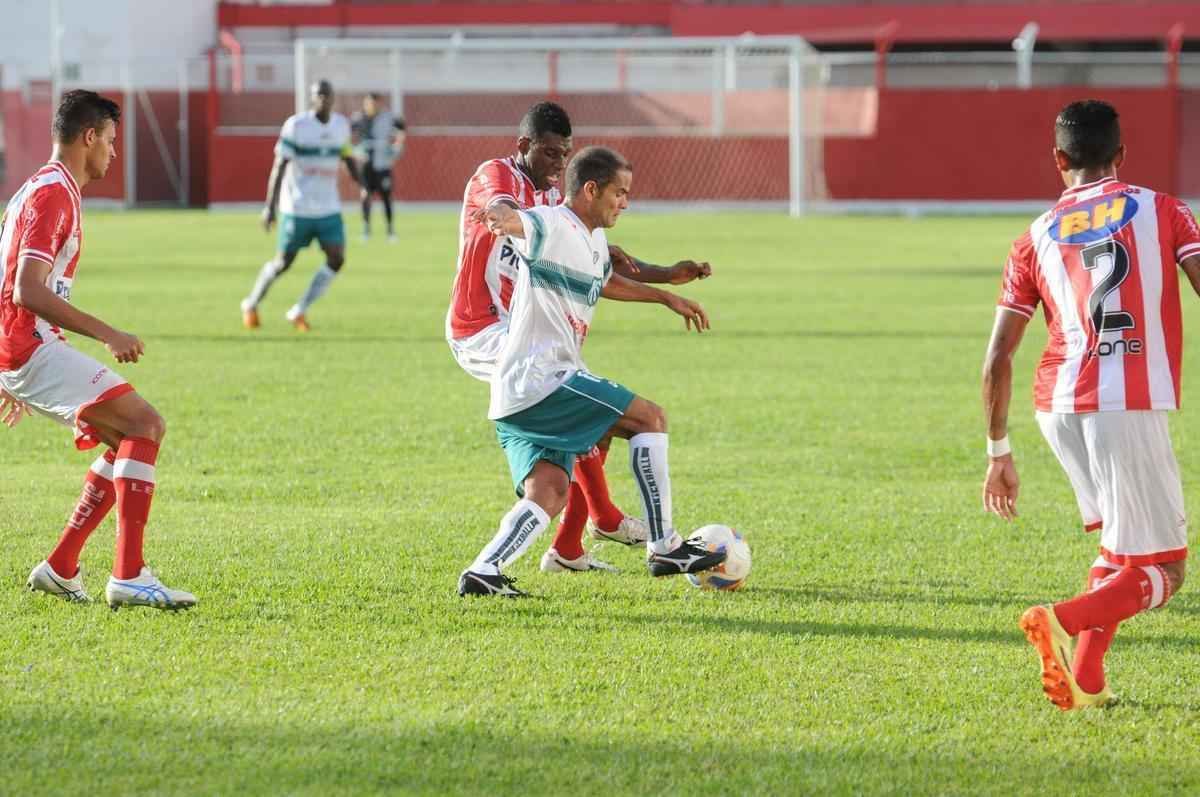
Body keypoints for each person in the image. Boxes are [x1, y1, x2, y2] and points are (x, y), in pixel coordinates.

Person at [982, 99, 1200, 709]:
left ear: (1059, 160)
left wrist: (997, 449)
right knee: (1166, 572)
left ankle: (1086, 680)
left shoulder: (1033, 238)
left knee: (1118, 549)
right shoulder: (1164, 209)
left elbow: (996, 358)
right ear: (1121, 156)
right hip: (1123, 402)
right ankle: (1060, 619)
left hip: (1056, 405)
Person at [447, 101, 712, 574]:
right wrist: (505, 218)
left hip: (524, 337)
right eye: (549, 154)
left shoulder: (557, 206)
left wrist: (666, 281)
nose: (557, 165)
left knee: (557, 472)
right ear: (524, 146)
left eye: (565, 155)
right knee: (618, 408)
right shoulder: (502, 178)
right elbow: (503, 210)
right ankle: (619, 524)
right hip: (484, 329)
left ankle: (550, 551)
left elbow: (595, 268)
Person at [0, 90, 195, 610]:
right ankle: (129, 575)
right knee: (145, 424)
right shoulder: (53, 194)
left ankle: (62, 567)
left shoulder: (40, 188)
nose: (112, 152)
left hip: (22, 349)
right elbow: (27, 289)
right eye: (109, 140)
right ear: (88, 138)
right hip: (31, 345)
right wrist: (108, 332)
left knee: (125, 438)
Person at [241, 80, 360, 332]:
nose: (323, 100)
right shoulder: (296, 126)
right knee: (284, 262)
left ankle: (299, 310)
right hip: (296, 207)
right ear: (311, 98)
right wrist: (269, 207)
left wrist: (363, 186)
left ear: (333, 98)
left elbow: (347, 158)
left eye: (327, 95)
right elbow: (280, 166)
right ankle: (251, 303)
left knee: (337, 258)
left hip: (328, 209)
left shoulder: (340, 126)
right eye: (318, 95)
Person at [351, 93, 406, 242]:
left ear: (379, 104)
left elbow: (401, 130)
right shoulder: (358, 118)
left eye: (375, 103)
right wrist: (357, 152)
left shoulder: (388, 118)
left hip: (383, 165)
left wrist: (397, 148)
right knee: (365, 195)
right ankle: (366, 229)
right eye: (369, 103)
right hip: (366, 165)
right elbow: (350, 140)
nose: (372, 106)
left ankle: (390, 231)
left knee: (386, 197)